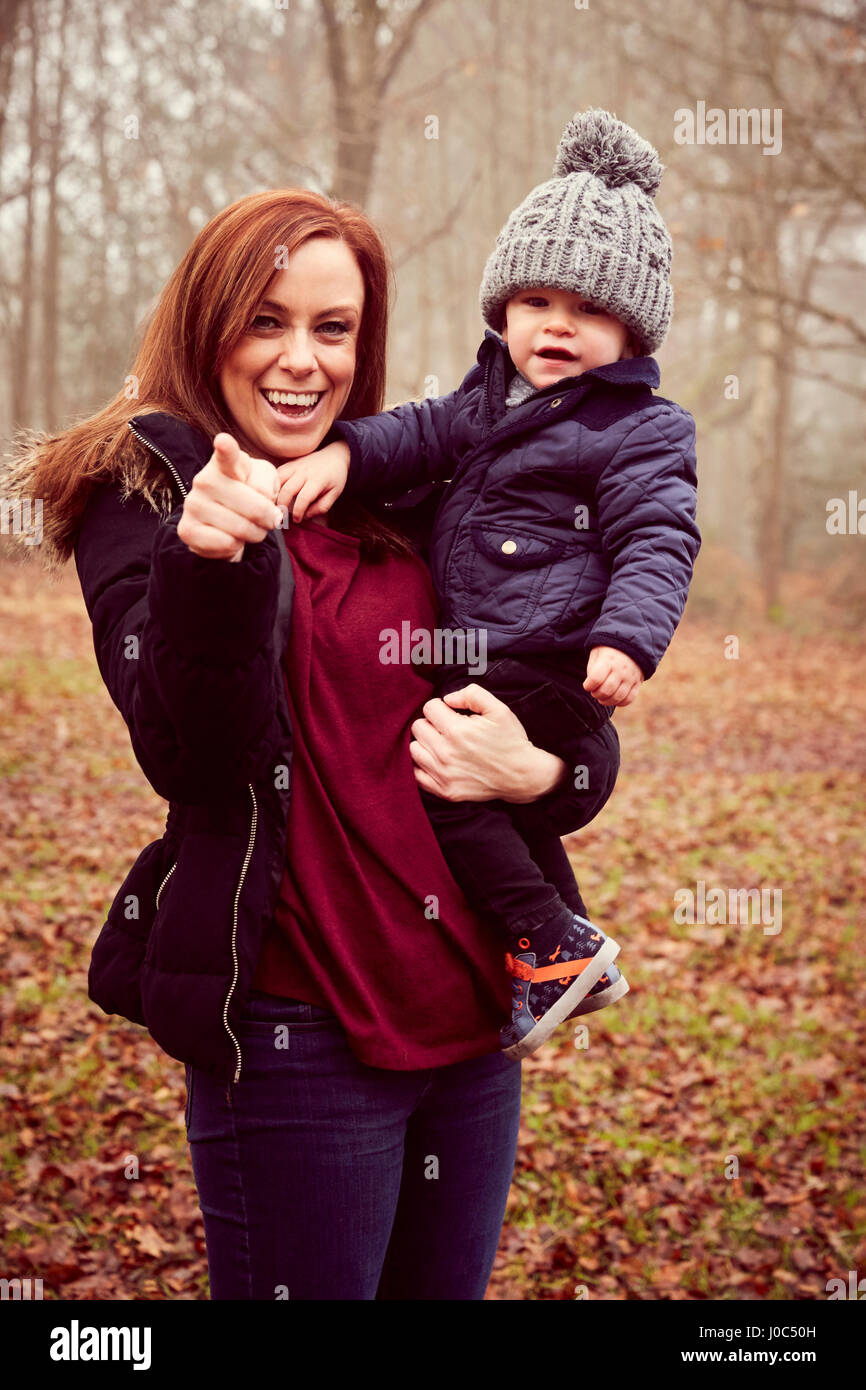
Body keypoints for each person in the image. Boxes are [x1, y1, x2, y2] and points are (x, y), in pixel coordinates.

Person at [0, 187, 610, 1300]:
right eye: (264, 320)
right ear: (205, 325)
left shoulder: (404, 485)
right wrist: (209, 567)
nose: (301, 361)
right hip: (301, 1038)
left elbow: (555, 692)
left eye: (332, 329)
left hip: (473, 1023)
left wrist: (543, 770)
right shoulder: (150, 492)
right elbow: (188, 753)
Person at [273, 108, 702, 1061]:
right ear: (501, 311)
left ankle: (550, 941)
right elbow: (415, 433)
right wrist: (344, 454)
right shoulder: (482, 404)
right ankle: (563, 940)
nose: (559, 325)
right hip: (489, 652)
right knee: (479, 787)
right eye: (538, 302)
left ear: (631, 338)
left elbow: (658, 535)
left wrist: (626, 639)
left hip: (550, 661)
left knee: (441, 778)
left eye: (590, 311)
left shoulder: (638, 432)